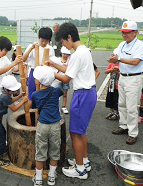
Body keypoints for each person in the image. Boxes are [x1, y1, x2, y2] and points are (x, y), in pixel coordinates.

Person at [46, 23, 96, 180]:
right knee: (80, 132)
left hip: (82, 95)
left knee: (74, 133)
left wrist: (50, 73)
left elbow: (67, 78)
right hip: (89, 94)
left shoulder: (77, 55)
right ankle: (84, 161)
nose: (63, 45)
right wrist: (54, 64)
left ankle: (80, 170)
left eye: (63, 41)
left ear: (69, 37)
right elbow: (70, 69)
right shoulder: (84, 51)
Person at [108, 21, 143, 145]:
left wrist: (118, 59)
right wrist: (114, 57)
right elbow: (117, 55)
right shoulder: (122, 44)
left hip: (134, 78)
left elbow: (136, 61)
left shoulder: (140, 45)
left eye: (127, 32)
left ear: (135, 32)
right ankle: (123, 126)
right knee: (122, 104)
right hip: (123, 77)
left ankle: (133, 133)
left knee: (131, 108)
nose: (124, 35)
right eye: (123, 33)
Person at [31, 66, 63, 186]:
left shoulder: (35, 94)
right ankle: (51, 177)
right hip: (55, 125)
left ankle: (38, 178)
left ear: (39, 81)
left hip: (42, 125)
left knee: (40, 151)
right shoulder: (56, 91)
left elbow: (34, 106)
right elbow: (61, 85)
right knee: (55, 151)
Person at [0, 75, 28, 167]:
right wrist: (23, 100)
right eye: (14, 90)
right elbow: (14, 108)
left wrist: (20, 96)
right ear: (8, 89)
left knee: (2, 133)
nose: (16, 91)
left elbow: (10, 100)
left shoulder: (3, 91)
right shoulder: (4, 96)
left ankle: (1, 150)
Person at [0, 36, 22, 105]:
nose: (6, 53)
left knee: (1, 110)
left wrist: (20, 66)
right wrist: (14, 63)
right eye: (5, 50)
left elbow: (13, 68)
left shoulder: (4, 58)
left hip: (3, 89)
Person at [23, 27, 55, 100]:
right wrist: (31, 48)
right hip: (33, 72)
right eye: (42, 40)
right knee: (32, 94)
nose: (43, 43)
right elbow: (23, 59)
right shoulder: (32, 47)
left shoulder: (50, 49)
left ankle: (40, 109)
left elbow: (53, 64)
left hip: (45, 73)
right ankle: (32, 109)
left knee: (43, 94)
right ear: (38, 37)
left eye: (46, 41)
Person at [105, 52, 120, 120]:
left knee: (116, 98)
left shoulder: (121, 64)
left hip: (118, 84)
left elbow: (122, 74)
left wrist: (117, 71)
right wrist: (111, 69)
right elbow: (106, 71)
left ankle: (116, 112)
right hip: (111, 83)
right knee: (110, 97)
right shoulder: (111, 64)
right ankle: (111, 111)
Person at [58, 46, 71, 114]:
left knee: (65, 93)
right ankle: (56, 106)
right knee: (56, 93)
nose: (65, 55)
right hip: (58, 78)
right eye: (64, 53)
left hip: (66, 79)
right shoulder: (57, 60)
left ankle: (64, 106)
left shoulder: (69, 61)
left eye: (67, 54)